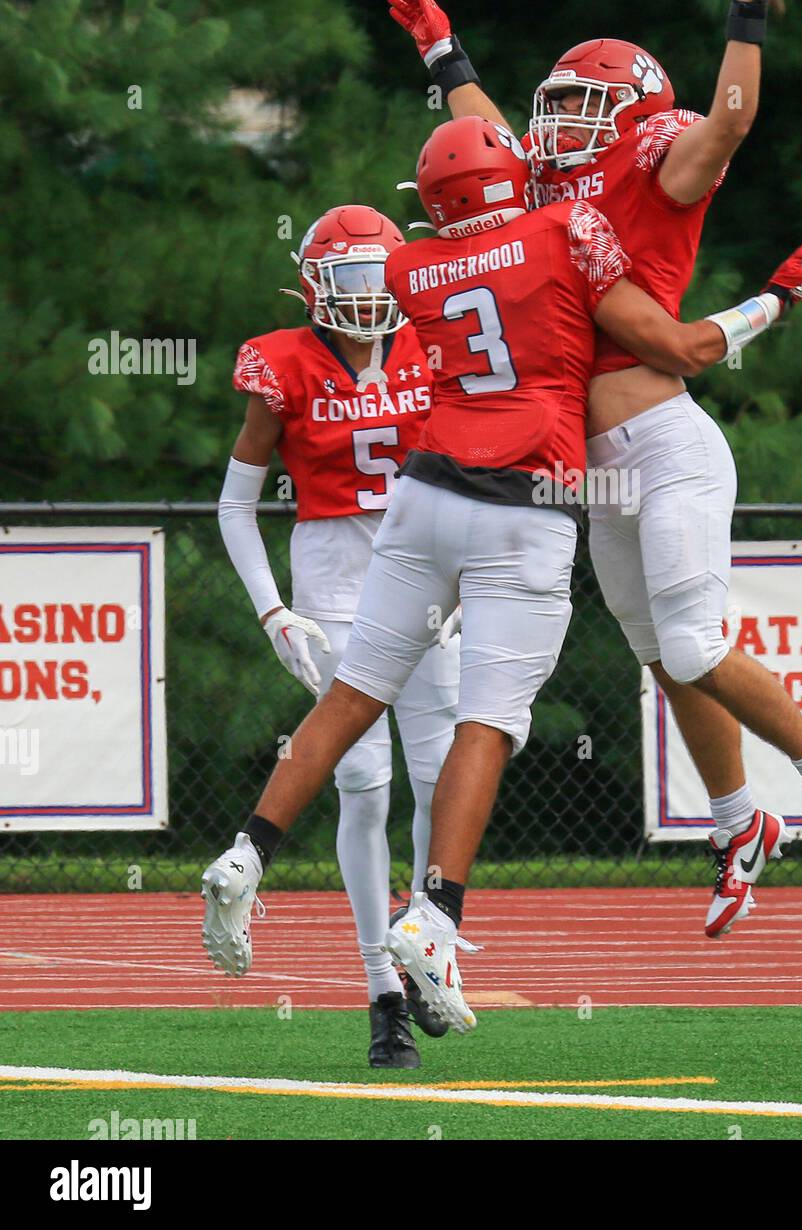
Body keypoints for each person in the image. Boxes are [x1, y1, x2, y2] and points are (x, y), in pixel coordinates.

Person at [200, 116, 802, 1033]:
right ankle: (437, 917)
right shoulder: (562, 230)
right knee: (485, 725)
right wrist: (777, 298)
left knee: (351, 696)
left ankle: (248, 854)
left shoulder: (411, 269)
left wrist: (448, 71)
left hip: (420, 498)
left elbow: (465, 246)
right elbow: (686, 347)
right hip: (523, 503)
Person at [386, 0, 802, 938]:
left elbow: (728, 123)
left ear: (633, 114)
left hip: (663, 440)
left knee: (693, 642)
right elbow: (486, 140)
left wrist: (743, 5)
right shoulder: (546, 190)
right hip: (585, 469)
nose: (555, 122)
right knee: (659, 654)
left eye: (577, 105)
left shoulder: (656, 166)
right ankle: (739, 823)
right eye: (552, 104)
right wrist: (443, 54)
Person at [211, 203, 460, 1069]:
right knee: (365, 783)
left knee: (438, 780)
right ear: (312, 284)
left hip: (430, 570)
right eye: (344, 279)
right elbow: (236, 502)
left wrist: (471, 569)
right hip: (336, 576)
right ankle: (380, 993)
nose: (362, 298)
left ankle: (426, 947)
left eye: (373, 276)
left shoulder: (439, 340)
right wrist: (271, 606)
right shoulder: (281, 363)